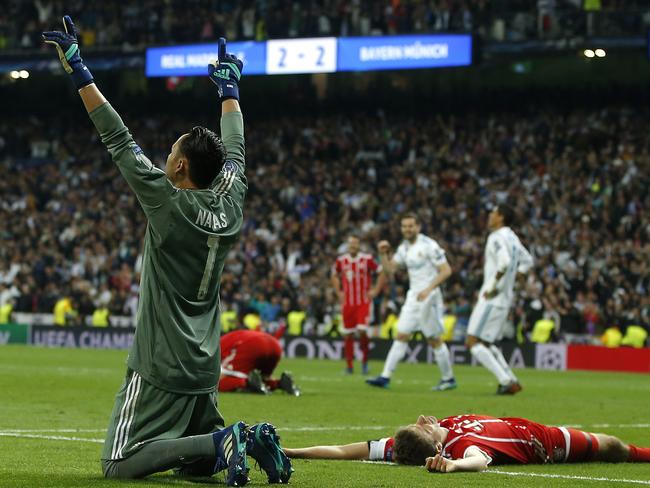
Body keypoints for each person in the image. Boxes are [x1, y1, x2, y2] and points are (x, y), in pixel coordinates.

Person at [43, 18, 291, 485]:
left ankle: (223, 440)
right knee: (195, 469)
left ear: (178, 165)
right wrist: (229, 89)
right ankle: (235, 441)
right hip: (204, 365)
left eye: (170, 152)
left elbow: (118, 138)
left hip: (159, 363)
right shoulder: (231, 203)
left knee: (117, 466)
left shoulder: (167, 200)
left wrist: (79, 70)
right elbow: (235, 151)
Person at [283, 414, 650, 473]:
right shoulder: (463, 445)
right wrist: (454, 466)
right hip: (549, 442)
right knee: (612, 446)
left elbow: (346, 451)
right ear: (436, 446)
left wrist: (292, 450)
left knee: (612, 444)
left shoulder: (411, 441)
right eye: (422, 426)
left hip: (530, 425)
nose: (424, 420)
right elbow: (479, 461)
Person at [366, 213, 456, 391]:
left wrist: (428, 289)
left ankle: (448, 379)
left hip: (429, 297)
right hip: (413, 296)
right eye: (404, 226)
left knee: (433, 339)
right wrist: (383, 254)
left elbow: (446, 271)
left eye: (411, 226)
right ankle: (385, 377)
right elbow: (390, 270)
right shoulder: (404, 248)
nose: (407, 229)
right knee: (401, 335)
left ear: (418, 227)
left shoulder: (429, 245)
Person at [466, 203, 534, 395]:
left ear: (501, 217)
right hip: (505, 299)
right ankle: (511, 379)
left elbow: (503, 263)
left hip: (492, 298)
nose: (490, 215)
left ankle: (505, 381)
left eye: (493, 213)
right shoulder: (512, 237)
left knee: (473, 342)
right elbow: (528, 260)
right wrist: (515, 277)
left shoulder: (496, 237)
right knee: (487, 344)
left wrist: (492, 287)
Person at [331, 235, 385, 374]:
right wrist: (338, 292)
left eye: (355, 244)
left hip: (363, 303)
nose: (353, 246)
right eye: (351, 244)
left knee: (362, 331)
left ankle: (365, 363)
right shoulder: (341, 261)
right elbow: (334, 275)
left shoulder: (366, 259)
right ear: (348, 245)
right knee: (348, 335)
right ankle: (349, 366)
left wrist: (376, 290)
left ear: (359, 245)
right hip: (348, 304)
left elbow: (381, 272)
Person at [220, 329, 300, 395]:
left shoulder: (216, 346)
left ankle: (247, 383)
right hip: (274, 344)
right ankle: (280, 383)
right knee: (263, 378)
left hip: (252, 344)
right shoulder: (225, 338)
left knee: (215, 383)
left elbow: (219, 375)